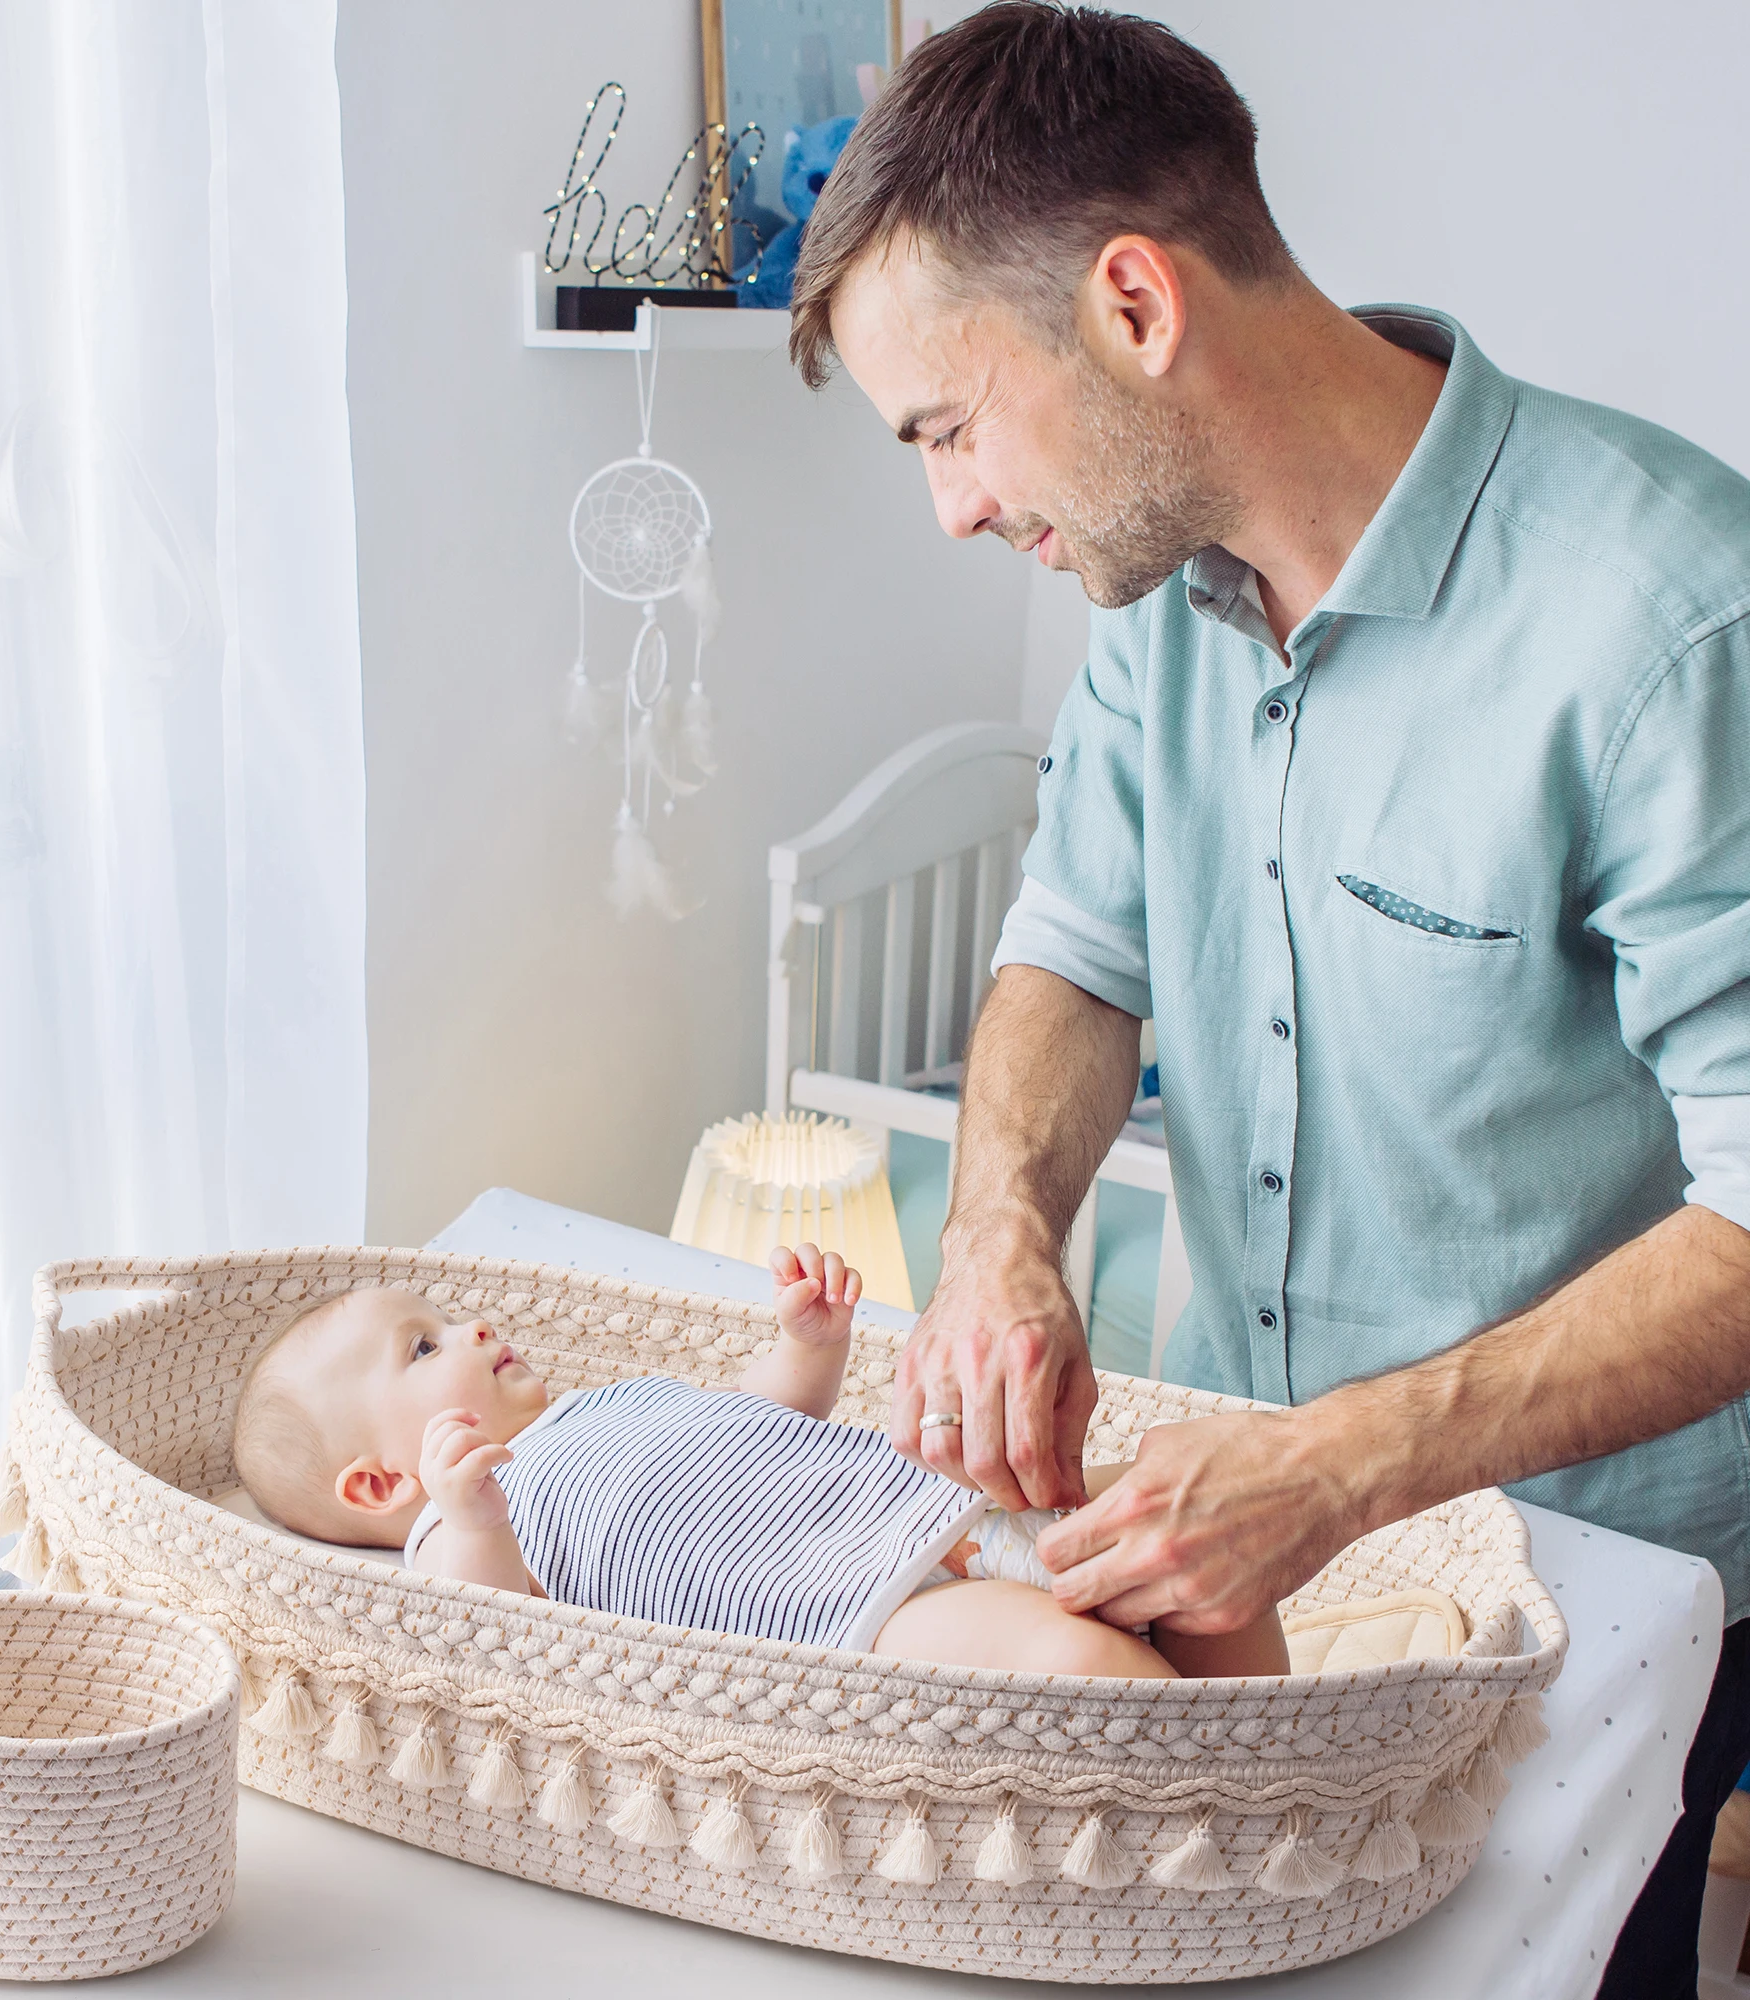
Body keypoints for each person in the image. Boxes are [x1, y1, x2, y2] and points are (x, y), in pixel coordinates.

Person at [785, 5, 1750, 1992]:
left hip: (1600, 1577)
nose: (950, 510)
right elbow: (1072, 948)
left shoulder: (1671, 622)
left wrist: (1339, 1465)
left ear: (1131, 301)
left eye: (945, 428)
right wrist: (997, 1234)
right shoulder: (1153, 601)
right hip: (1240, 1543)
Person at [230, 1250, 1287, 1680]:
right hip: (868, 1607)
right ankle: (1197, 1782)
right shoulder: (456, 1526)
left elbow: (755, 1421)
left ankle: (1262, 1732)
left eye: (445, 1317)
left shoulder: (606, 1402)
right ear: (380, 1482)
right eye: (424, 1346)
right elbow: (501, 1634)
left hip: (945, 1502)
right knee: (1075, 1666)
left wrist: (808, 1344)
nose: (470, 1326)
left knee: (1198, 1507)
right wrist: (473, 1520)